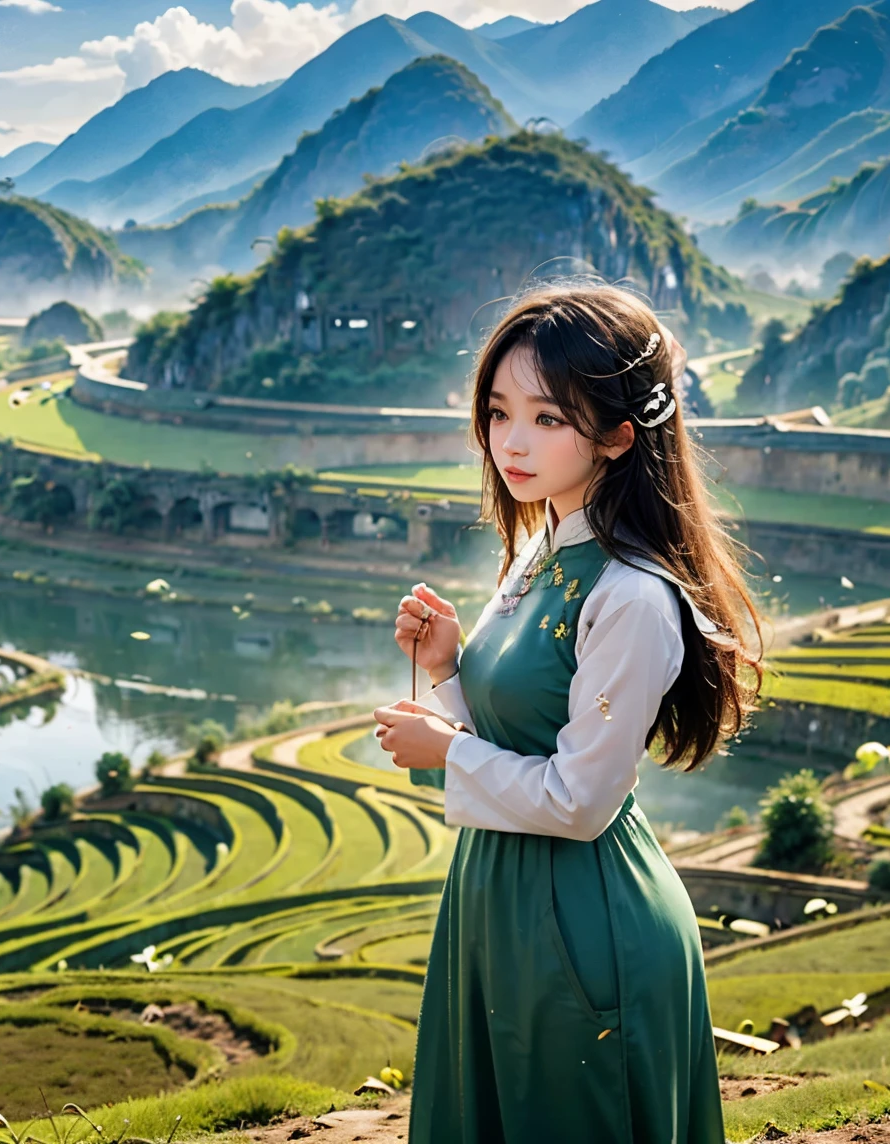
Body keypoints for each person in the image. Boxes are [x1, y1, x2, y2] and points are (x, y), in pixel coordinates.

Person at [374, 281, 761, 1142]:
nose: (512, 442)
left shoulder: (630, 595)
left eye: (548, 420)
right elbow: (515, 740)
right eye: (500, 411)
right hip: (497, 898)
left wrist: (445, 750)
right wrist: (446, 670)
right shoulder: (543, 544)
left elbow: (582, 802)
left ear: (619, 437)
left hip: (580, 920)